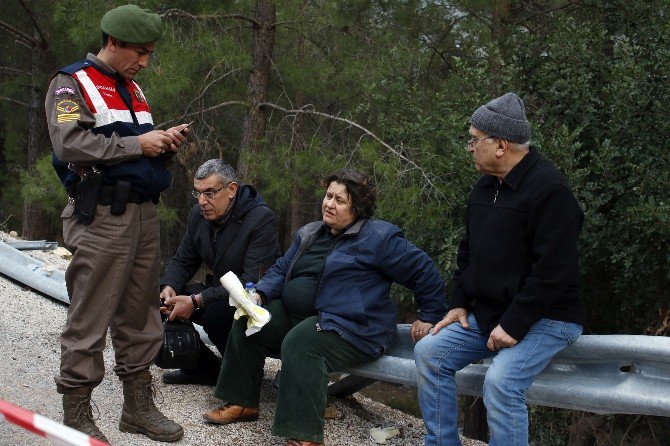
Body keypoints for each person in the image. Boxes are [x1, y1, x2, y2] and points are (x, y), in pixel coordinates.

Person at [202, 168, 447, 446]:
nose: (329, 203)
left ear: (358, 207)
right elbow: (282, 269)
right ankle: (242, 402)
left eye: (339, 200)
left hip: (354, 327)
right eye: (328, 195)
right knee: (246, 320)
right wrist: (258, 295)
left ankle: (305, 433)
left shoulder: (379, 238)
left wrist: (430, 315)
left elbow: (423, 270)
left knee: (302, 343)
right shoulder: (311, 232)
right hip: (308, 317)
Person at [45, 4, 190, 443]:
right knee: (90, 315)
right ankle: (76, 410)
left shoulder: (134, 89)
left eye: (149, 53)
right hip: (103, 217)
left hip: (143, 215)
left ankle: (137, 408)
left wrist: (162, 143)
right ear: (113, 43)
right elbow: (70, 143)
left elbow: (129, 146)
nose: (145, 61)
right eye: (140, 52)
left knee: (141, 313)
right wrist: (136, 145)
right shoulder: (71, 84)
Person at [414, 92, 586, 446]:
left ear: (500, 145)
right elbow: (468, 252)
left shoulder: (549, 191)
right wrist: (460, 302)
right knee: (429, 353)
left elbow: (554, 271)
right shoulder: (485, 187)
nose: (469, 147)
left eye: (474, 140)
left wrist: (514, 323)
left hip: (548, 317)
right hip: (492, 314)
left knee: (501, 382)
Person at [159, 159, 281, 385]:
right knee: (159, 301)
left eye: (210, 193)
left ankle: (244, 375)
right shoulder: (199, 215)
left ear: (231, 189)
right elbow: (183, 260)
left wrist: (196, 301)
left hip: (253, 302)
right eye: (198, 193)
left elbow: (252, 281)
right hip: (218, 294)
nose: (202, 201)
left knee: (217, 314)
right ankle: (203, 369)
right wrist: (169, 287)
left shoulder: (260, 218)